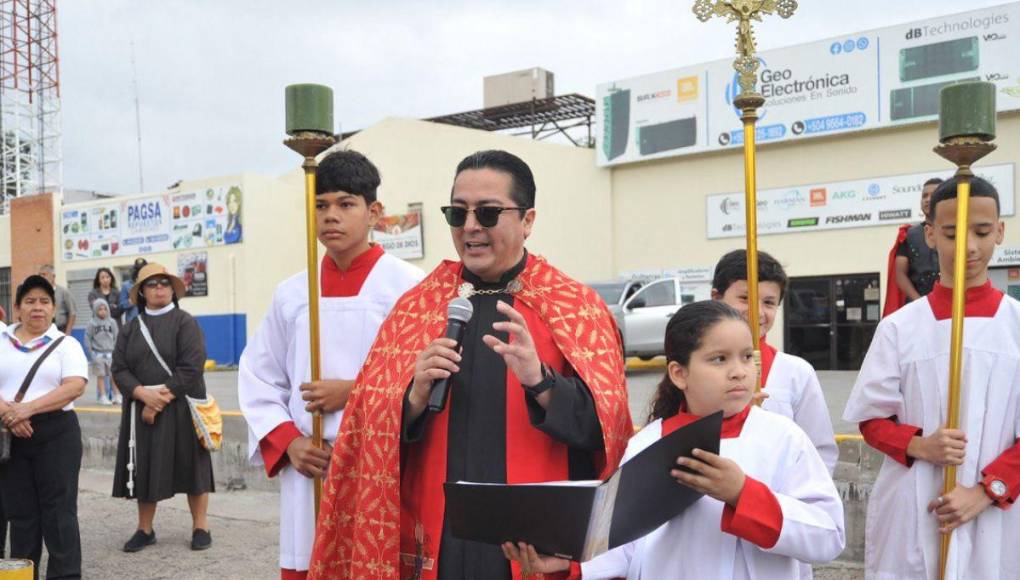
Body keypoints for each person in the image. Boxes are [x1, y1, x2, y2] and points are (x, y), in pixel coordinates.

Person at [308, 150, 633, 580]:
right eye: (457, 213)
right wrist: (414, 397)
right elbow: (366, 427)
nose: (471, 227)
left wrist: (541, 382)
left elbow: (608, 433)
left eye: (489, 212)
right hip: (439, 543)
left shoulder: (576, 308)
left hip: (534, 543)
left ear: (528, 220)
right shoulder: (417, 307)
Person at [503, 301, 845, 578]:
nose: (739, 371)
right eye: (719, 359)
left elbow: (829, 536)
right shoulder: (647, 444)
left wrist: (742, 493)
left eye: (746, 356)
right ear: (679, 373)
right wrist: (571, 566)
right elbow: (625, 547)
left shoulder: (783, 437)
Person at [238, 150, 424, 579]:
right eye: (320, 205)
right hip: (312, 464)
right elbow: (258, 376)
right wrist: (288, 443)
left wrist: (354, 392)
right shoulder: (292, 293)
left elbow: (428, 376)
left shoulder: (409, 287)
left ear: (374, 212)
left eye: (345, 204)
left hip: (380, 464)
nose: (330, 216)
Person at [844, 176, 1019, 579]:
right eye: (953, 233)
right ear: (930, 235)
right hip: (917, 502)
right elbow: (872, 421)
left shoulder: (1016, 325)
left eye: (982, 231)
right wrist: (921, 445)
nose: (969, 247)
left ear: (1000, 232)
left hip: (999, 509)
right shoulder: (900, 328)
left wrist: (986, 492)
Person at [111, 263, 214, 553]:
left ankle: (200, 526)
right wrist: (143, 394)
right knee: (145, 467)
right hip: (143, 407)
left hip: (182, 405)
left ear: (172, 289)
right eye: (153, 284)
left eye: (165, 283)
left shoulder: (185, 322)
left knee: (193, 466)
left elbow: (192, 366)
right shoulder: (130, 329)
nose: (159, 288)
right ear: (142, 292)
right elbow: (119, 369)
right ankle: (145, 529)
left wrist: (159, 400)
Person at [711, 249, 838, 473]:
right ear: (716, 298)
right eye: (745, 298)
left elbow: (819, 452)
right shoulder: (696, 367)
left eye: (769, 302)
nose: (757, 312)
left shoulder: (795, 372)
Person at [0, 275, 88, 578]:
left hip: (57, 434)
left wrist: (28, 409)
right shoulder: (2, 341)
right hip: (10, 435)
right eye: (30, 301)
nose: (37, 307)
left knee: (59, 513)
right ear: (17, 308)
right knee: (21, 515)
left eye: (44, 301)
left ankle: (64, 575)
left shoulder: (67, 344)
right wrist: (10, 415)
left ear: (53, 309)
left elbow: (75, 386)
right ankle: (22, 575)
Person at [883, 177, 943, 316]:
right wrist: (920, 303)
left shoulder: (959, 231)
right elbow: (900, 274)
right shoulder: (908, 234)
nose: (928, 199)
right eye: (924, 196)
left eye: (933, 195)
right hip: (917, 309)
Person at [85, 298, 119, 405]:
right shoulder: (92, 323)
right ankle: (103, 396)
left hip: (110, 353)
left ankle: (116, 395)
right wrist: (91, 354)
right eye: (100, 309)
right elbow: (87, 338)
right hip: (98, 354)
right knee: (101, 376)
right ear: (95, 310)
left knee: (113, 376)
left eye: (105, 309)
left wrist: (116, 350)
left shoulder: (112, 322)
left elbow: (116, 336)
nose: (103, 311)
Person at [38, 264, 76, 334]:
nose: (41, 277)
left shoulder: (63, 292)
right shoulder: (39, 294)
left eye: (44, 274)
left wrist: (67, 333)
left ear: (53, 276)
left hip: (61, 330)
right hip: (44, 331)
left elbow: (72, 313)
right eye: (40, 275)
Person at [119, 258, 148, 324]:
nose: (140, 271)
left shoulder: (150, 284)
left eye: (142, 269)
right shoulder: (126, 285)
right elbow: (121, 306)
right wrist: (131, 302)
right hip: (133, 322)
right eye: (138, 269)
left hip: (149, 320)